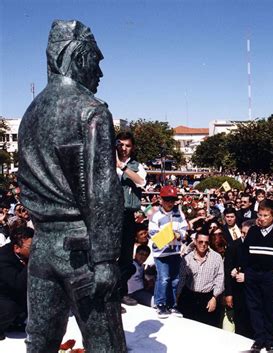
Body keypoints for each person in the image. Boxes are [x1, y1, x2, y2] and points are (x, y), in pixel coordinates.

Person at [18, 20, 126, 352]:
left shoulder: (29, 114)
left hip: (43, 250)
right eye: (97, 60)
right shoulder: (90, 111)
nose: (100, 72)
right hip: (81, 252)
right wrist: (106, 258)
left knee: (39, 342)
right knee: (104, 343)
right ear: (77, 56)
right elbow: (102, 188)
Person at [116, 131, 147, 307]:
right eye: (121, 145)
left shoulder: (136, 165)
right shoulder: (105, 162)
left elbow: (141, 181)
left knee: (126, 258)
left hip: (127, 215)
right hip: (109, 214)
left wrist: (122, 167)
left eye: (128, 145)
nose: (124, 148)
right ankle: (110, 296)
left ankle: (121, 293)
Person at [244, 199, 273, 353]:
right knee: (254, 307)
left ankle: (270, 341)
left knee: (269, 308)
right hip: (253, 274)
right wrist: (246, 270)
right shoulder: (252, 231)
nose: (262, 218)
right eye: (260, 215)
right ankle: (259, 339)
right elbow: (245, 251)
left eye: (266, 215)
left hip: (268, 275)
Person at [149, 185, 188, 318]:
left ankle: (172, 304)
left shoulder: (179, 214)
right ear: (161, 200)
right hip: (161, 253)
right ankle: (160, 304)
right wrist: (166, 236)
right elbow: (152, 234)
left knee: (175, 280)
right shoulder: (156, 216)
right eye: (167, 199)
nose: (170, 203)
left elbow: (184, 229)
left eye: (172, 200)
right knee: (164, 278)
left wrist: (180, 234)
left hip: (175, 252)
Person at [177, 232, 224, 327]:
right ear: (195, 242)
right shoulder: (187, 258)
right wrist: (177, 296)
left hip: (207, 298)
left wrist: (214, 298)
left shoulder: (216, 257)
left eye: (206, 242)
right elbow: (181, 278)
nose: (203, 245)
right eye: (200, 242)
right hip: (189, 296)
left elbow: (219, 278)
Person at [0, 227, 33, 340]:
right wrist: (32, 261)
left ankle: (14, 323)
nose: (35, 250)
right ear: (17, 248)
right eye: (31, 247)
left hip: (10, 292)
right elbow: (18, 283)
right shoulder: (3, 258)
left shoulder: (23, 254)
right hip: (3, 295)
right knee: (10, 308)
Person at [224, 219, 255, 338]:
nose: (242, 236)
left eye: (246, 234)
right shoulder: (233, 246)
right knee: (240, 324)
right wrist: (228, 294)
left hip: (254, 292)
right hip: (238, 292)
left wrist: (247, 276)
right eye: (241, 233)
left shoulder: (257, 245)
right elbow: (227, 271)